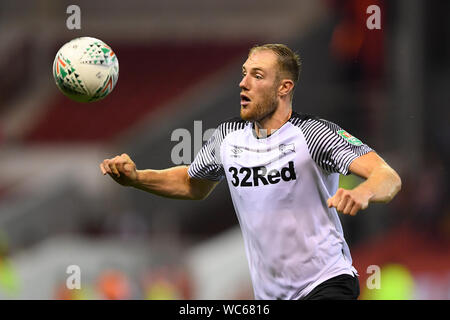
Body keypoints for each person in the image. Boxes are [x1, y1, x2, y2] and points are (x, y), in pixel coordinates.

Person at [99, 44, 401, 300]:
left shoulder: (313, 134)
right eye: (244, 73)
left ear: (284, 87)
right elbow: (193, 184)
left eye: (257, 76)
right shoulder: (228, 137)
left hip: (327, 283)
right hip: (269, 295)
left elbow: (387, 176)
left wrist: (363, 191)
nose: (243, 83)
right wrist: (137, 178)